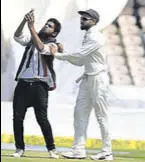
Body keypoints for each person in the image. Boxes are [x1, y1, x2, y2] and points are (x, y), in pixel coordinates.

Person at [50, 9, 113, 161]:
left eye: (85, 18)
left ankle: (107, 152)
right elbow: (80, 61)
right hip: (87, 79)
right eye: (81, 18)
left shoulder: (96, 37)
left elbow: (79, 55)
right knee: (79, 114)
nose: (81, 20)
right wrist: (63, 54)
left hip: (98, 79)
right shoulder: (88, 36)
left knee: (101, 116)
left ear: (94, 21)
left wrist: (57, 55)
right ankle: (78, 150)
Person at [12, 9, 61, 158]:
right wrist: (24, 21)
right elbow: (17, 36)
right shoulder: (32, 39)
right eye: (46, 24)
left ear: (54, 33)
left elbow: (42, 49)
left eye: (49, 26)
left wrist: (31, 27)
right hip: (23, 84)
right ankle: (19, 149)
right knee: (18, 117)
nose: (45, 26)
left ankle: (51, 149)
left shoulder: (54, 45)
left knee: (42, 119)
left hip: (40, 86)